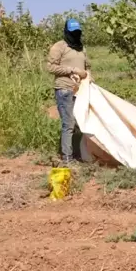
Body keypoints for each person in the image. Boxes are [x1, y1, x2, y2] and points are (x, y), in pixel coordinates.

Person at [47, 18, 90, 163]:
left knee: (82, 122)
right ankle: (67, 157)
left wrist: (89, 78)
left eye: (77, 32)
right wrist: (71, 70)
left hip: (80, 91)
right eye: (73, 32)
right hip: (64, 89)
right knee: (68, 123)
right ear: (66, 31)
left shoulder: (81, 47)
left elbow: (87, 67)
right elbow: (51, 67)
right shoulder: (59, 47)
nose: (75, 35)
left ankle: (80, 152)